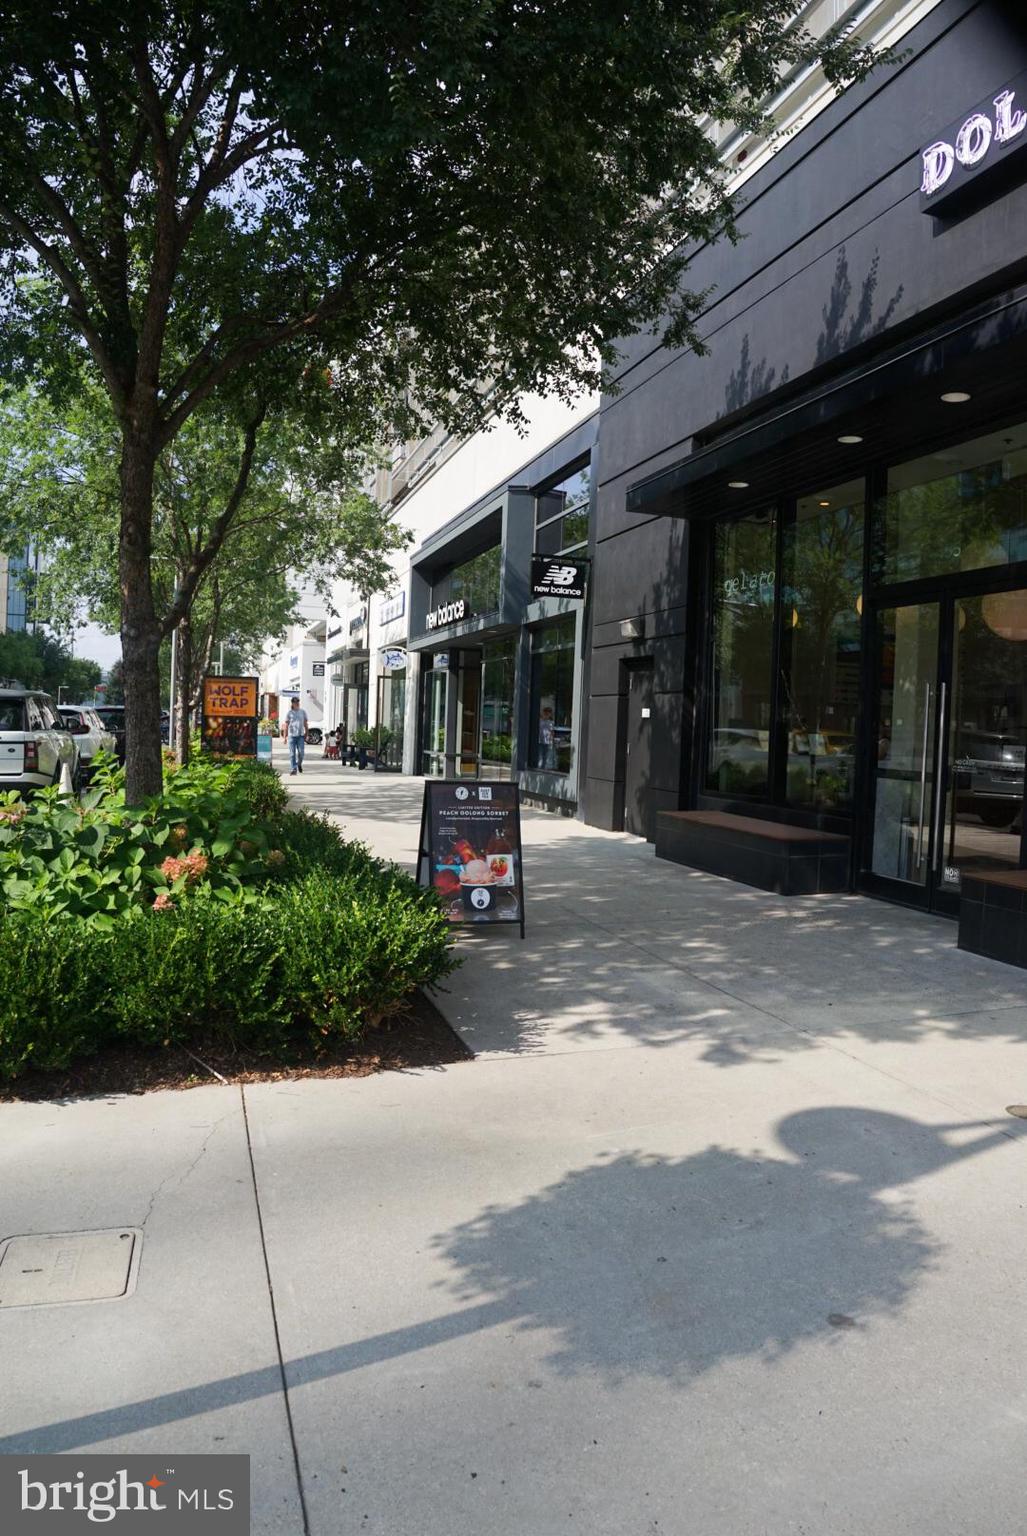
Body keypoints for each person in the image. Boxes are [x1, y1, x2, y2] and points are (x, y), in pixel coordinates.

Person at [282, 696, 309, 775]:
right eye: (295, 702)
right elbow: (286, 725)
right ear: (292, 704)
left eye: (297, 702)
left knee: (301, 753)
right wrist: (285, 737)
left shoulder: (303, 712)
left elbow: (305, 723)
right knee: (292, 754)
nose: (296, 703)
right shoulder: (289, 713)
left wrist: (307, 733)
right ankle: (294, 768)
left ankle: (299, 764)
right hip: (292, 736)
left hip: (300, 736)